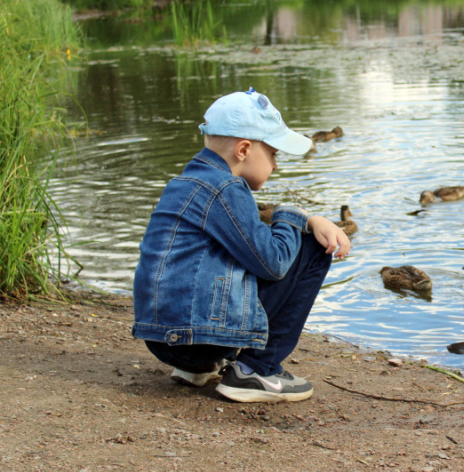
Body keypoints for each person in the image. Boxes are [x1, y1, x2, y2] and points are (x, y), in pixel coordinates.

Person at [132, 88, 350, 403]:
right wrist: (299, 217)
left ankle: (198, 367)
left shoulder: (181, 184)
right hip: (194, 339)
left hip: (162, 339)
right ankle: (258, 369)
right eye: (273, 154)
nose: (276, 166)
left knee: (237, 254)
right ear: (244, 149)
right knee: (311, 248)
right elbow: (273, 263)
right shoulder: (226, 188)